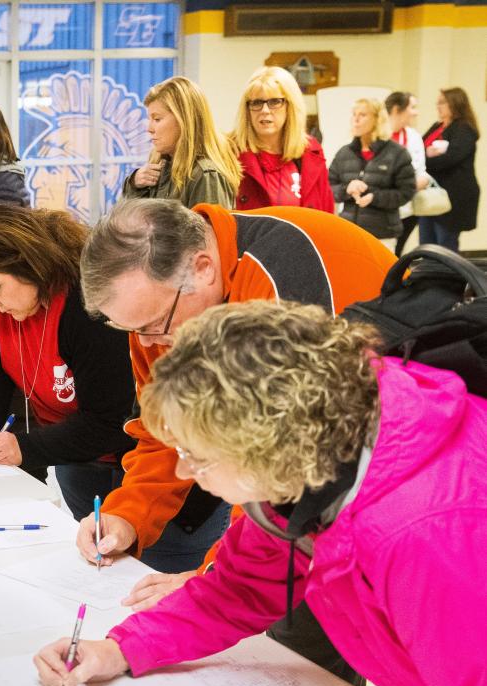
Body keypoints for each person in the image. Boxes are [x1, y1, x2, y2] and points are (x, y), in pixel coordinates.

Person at [34, 301, 485, 686]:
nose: (186, 469)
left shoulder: (421, 533)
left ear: (265, 444)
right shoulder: (310, 464)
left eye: (198, 455)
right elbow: (238, 588)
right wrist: (119, 650)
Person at [76, 198, 394, 575]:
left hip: (390, 471)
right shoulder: (160, 315)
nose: (146, 344)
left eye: (153, 324)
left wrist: (218, 577)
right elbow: (165, 427)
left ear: (203, 268)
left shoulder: (282, 282)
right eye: (131, 329)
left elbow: (281, 458)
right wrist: (127, 514)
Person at [0, 204, 137, 523]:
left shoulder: (87, 300)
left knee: (152, 563)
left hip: (140, 458)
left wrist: (27, 447)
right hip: (74, 453)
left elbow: (112, 418)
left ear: (30, 263)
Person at [122, 76, 239, 210]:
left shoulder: (206, 176)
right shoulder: (161, 164)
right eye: (150, 119)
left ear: (184, 120)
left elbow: (209, 230)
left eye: (157, 119)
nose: (149, 129)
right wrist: (134, 185)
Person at [230, 66, 333, 213]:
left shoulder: (311, 151)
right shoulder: (230, 152)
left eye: (275, 102)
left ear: (290, 106)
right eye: (257, 103)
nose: (265, 110)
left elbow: (326, 216)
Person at [328, 98, 415, 249]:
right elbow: (328, 188)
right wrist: (346, 189)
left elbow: (406, 192)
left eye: (362, 115)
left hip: (382, 235)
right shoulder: (344, 153)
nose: (356, 119)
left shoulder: (397, 153)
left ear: (377, 119)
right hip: (348, 232)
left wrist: (374, 197)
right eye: (354, 114)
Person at [419, 86, 480, 253]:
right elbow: (418, 150)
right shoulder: (437, 126)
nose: (438, 106)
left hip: (453, 195)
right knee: (426, 244)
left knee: (445, 244)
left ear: (455, 104)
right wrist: (428, 155)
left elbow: (451, 158)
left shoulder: (464, 129)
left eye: (442, 102)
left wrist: (427, 158)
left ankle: (448, 279)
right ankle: (429, 278)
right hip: (431, 194)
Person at [384, 90, 429, 255]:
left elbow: (420, 170)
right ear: (397, 109)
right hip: (380, 209)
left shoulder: (414, 137)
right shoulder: (377, 133)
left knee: (396, 255)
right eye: (413, 107)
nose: (416, 112)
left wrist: (421, 180)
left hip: (406, 208)